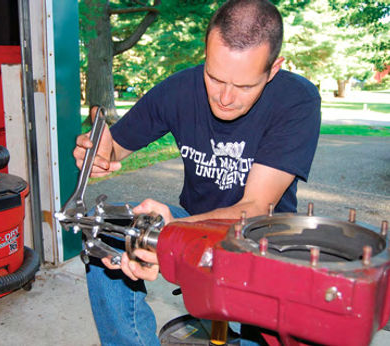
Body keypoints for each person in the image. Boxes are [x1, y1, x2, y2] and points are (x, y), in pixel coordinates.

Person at [73, 0, 321, 344]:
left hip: (262, 242)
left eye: (245, 86)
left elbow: (254, 209)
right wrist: (98, 153)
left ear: (273, 68)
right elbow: (114, 145)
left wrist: (173, 232)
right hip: (192, 218)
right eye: (214, 77)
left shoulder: (297, 100)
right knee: (108, 231)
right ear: (205, 53)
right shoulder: (179, 89)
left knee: (264, 333)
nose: (225, 98)